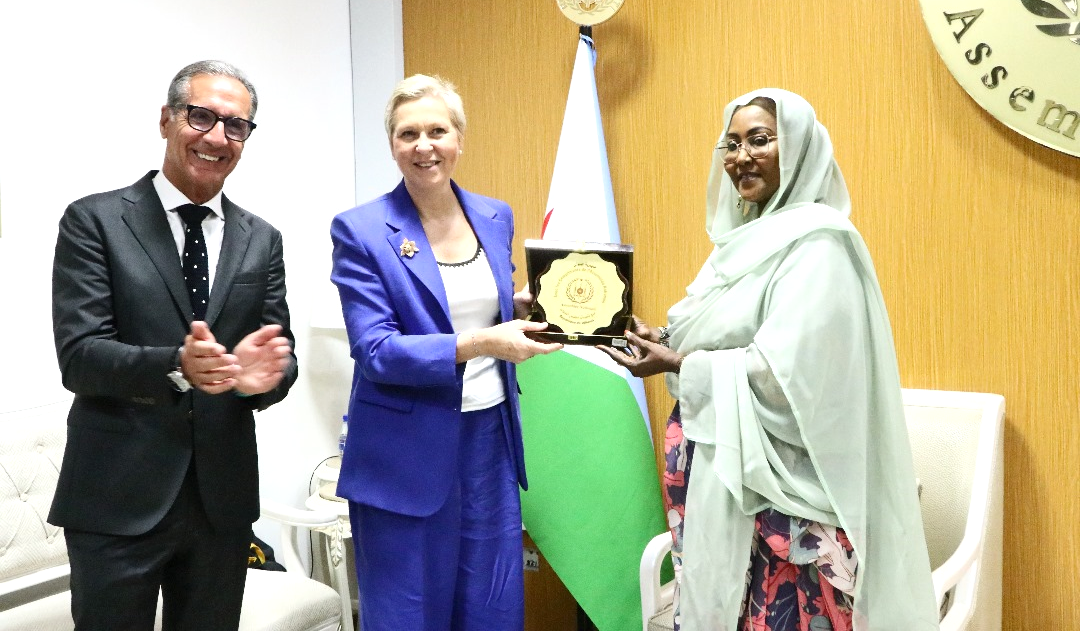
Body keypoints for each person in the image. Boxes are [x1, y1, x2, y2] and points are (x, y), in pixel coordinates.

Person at [600, 89, 939, 630]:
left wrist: (674, 362)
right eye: (730, 144)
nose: (740, 156)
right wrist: (660, 337)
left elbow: (788, 376)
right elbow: (722, 332)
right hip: (719, 482)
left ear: (800, 149)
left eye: (759, 139)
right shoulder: (740, 245)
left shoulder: (820, 246)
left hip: (785, 506)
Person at [50, 60, 297, 631]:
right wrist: (178, 368)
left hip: (221, 503)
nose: (217, 137)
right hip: (116, 497)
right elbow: (80, 356)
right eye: (200, 116)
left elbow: (276, 357)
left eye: (235, 126)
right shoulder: (96, 221)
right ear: (166, 120)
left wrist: (263, 381)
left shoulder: (261, 239)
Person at [330, 74, 561, 631]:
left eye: (438, 130)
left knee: (491, 606)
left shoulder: (494, 215)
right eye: (408, 133)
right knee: (409, 612)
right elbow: (377, 349)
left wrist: (532, 306)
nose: (424, 146)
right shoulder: (361, 230)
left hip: (489, 443)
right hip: (403, 455)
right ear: (392, 144)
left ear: (459, 138)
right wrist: (484, 342)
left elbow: (484, 304)